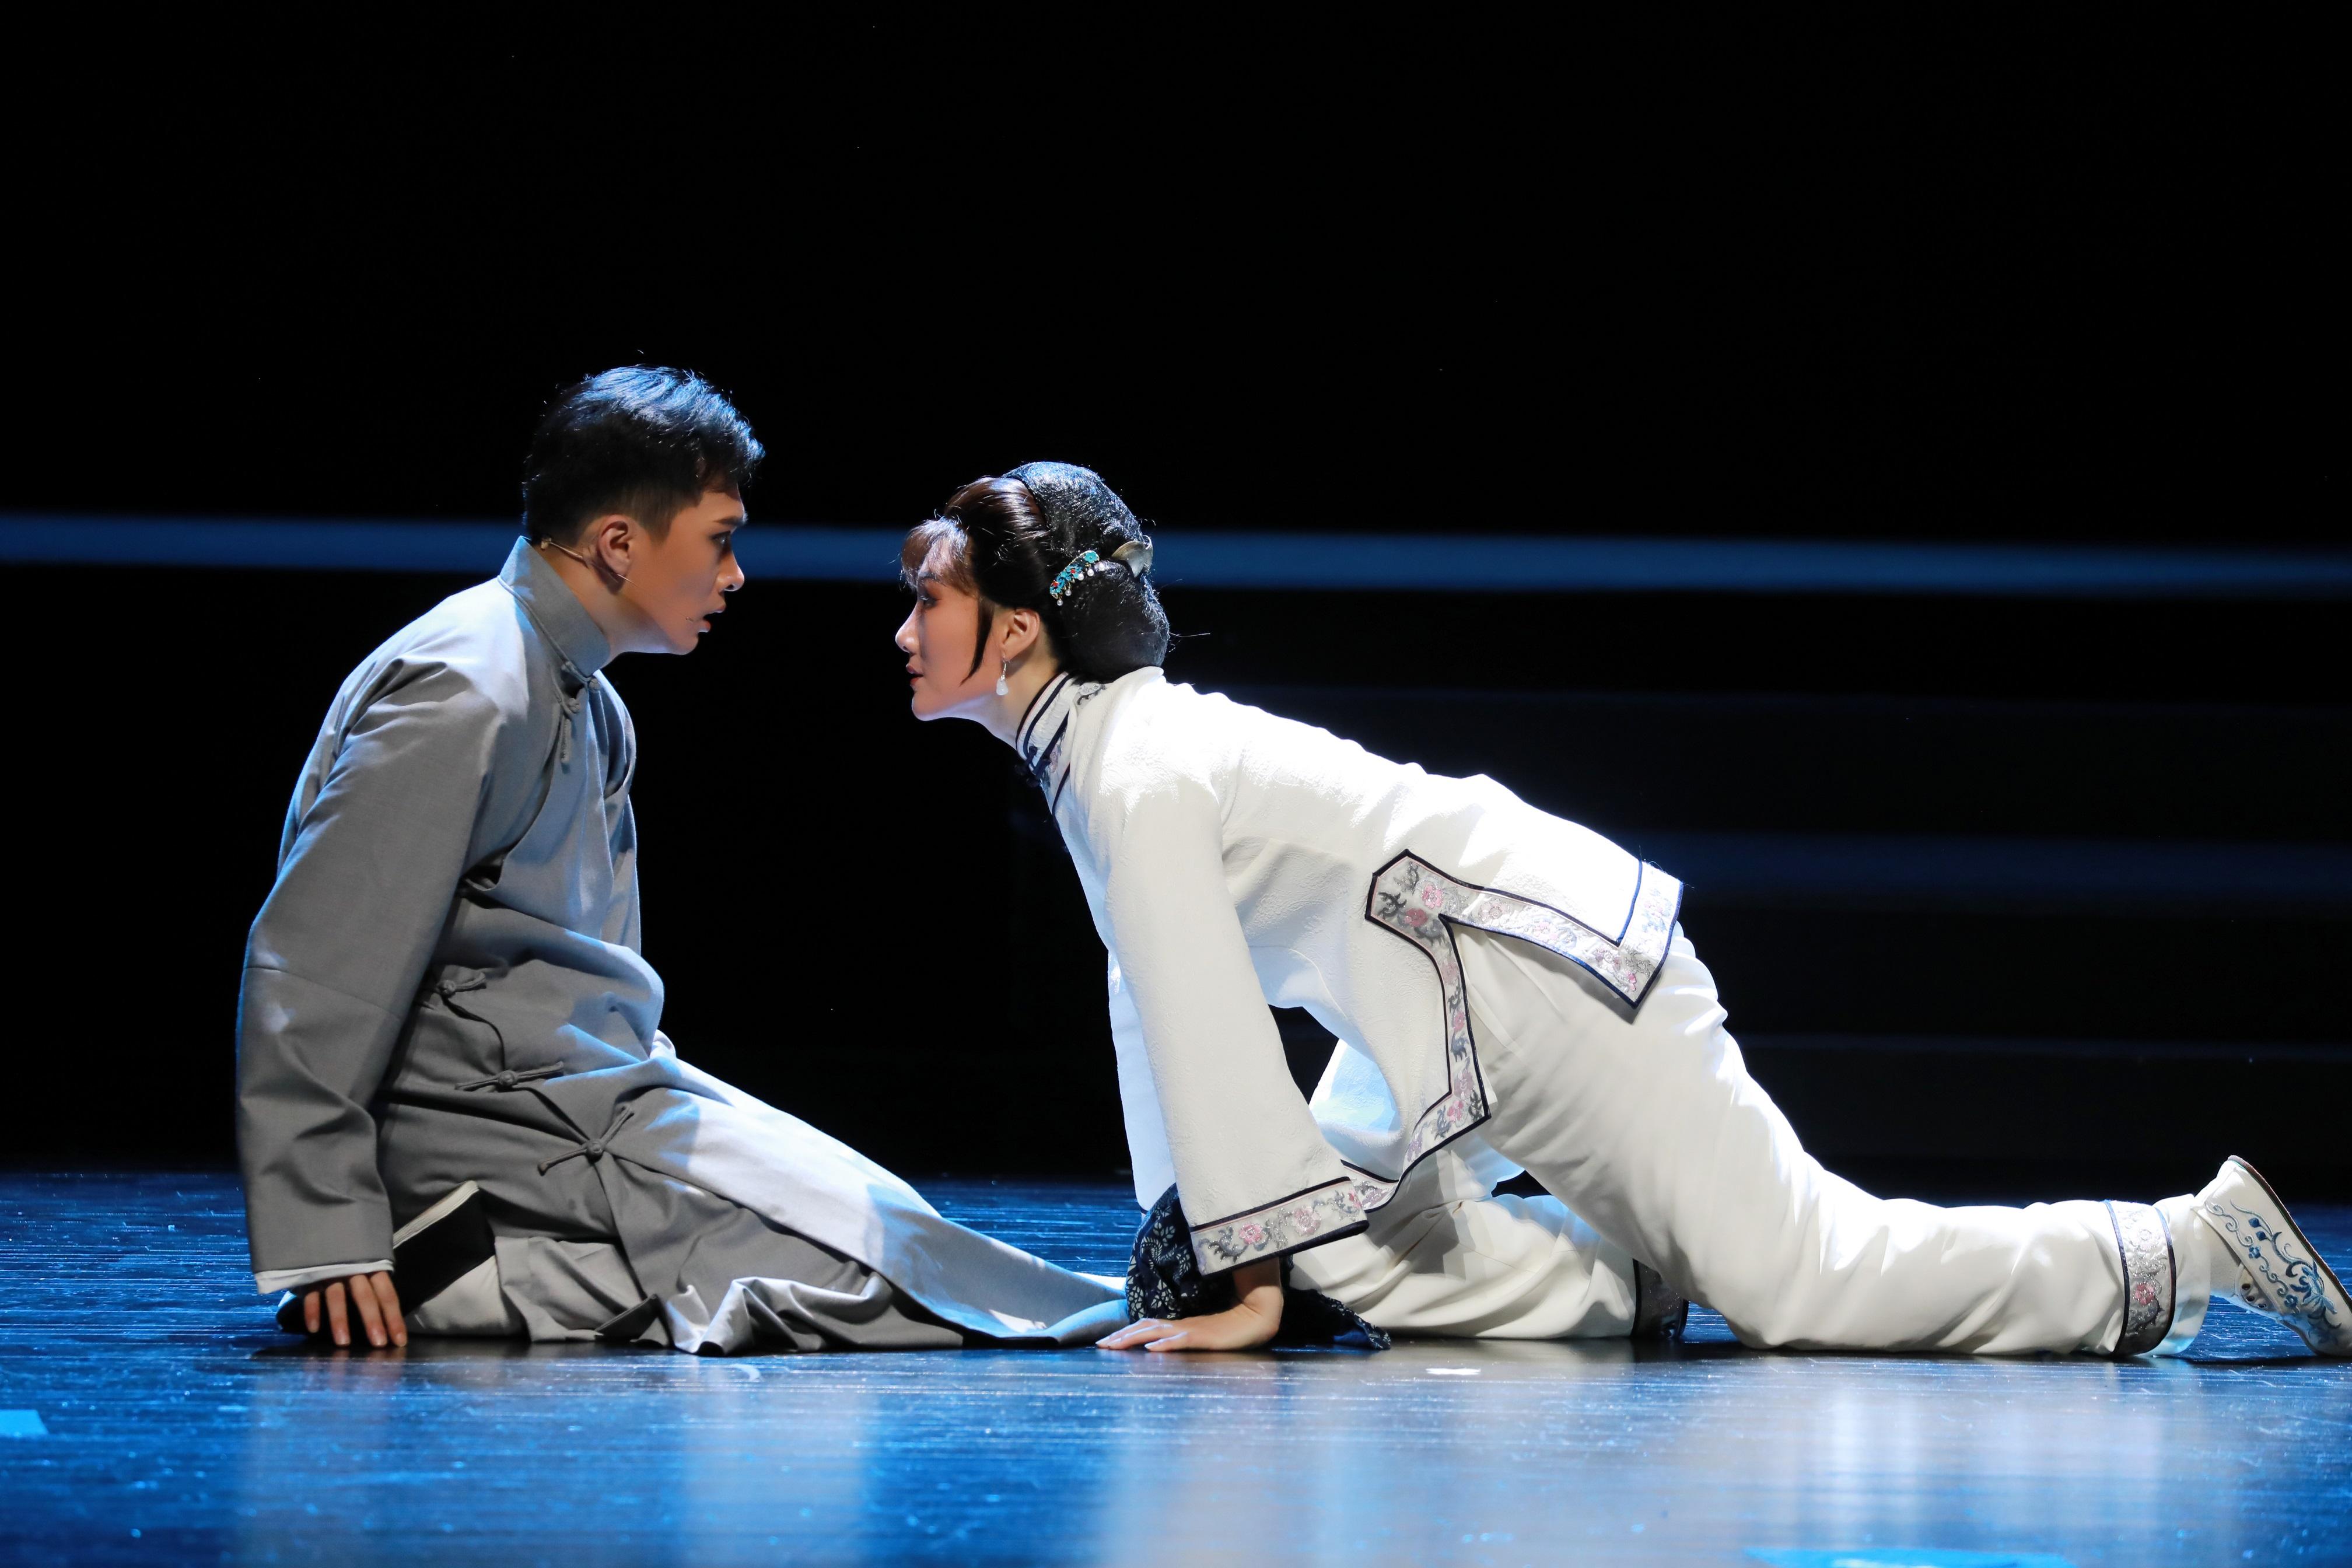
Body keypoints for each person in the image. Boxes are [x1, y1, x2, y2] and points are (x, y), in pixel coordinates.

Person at [893, 461, 2350, 1359]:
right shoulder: (1108, 751)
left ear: (1014, 629)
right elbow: (1159, 995)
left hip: (1535, 976)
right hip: (1437, 991)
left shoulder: (1135, 767)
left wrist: (1244, 1283)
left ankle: (2179, 1247)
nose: (903, 631)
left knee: (1806, 1277)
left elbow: (1204, 1023)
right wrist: (1198, 1245)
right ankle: (1629, 1287)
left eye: (927, 601)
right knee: (1337, 1240)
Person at [236, 372, 1121, 1354]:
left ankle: (1135, 1306)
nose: (734, 575)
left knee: (881, 1220)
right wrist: (326, 1229)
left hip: (585, 1102)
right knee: (854, 1272)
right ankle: (448, 1265)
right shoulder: (469, 686)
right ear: (619, 544)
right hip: (495, 1139)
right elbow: (314, 969)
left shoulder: (588, 701)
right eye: (719, 539)